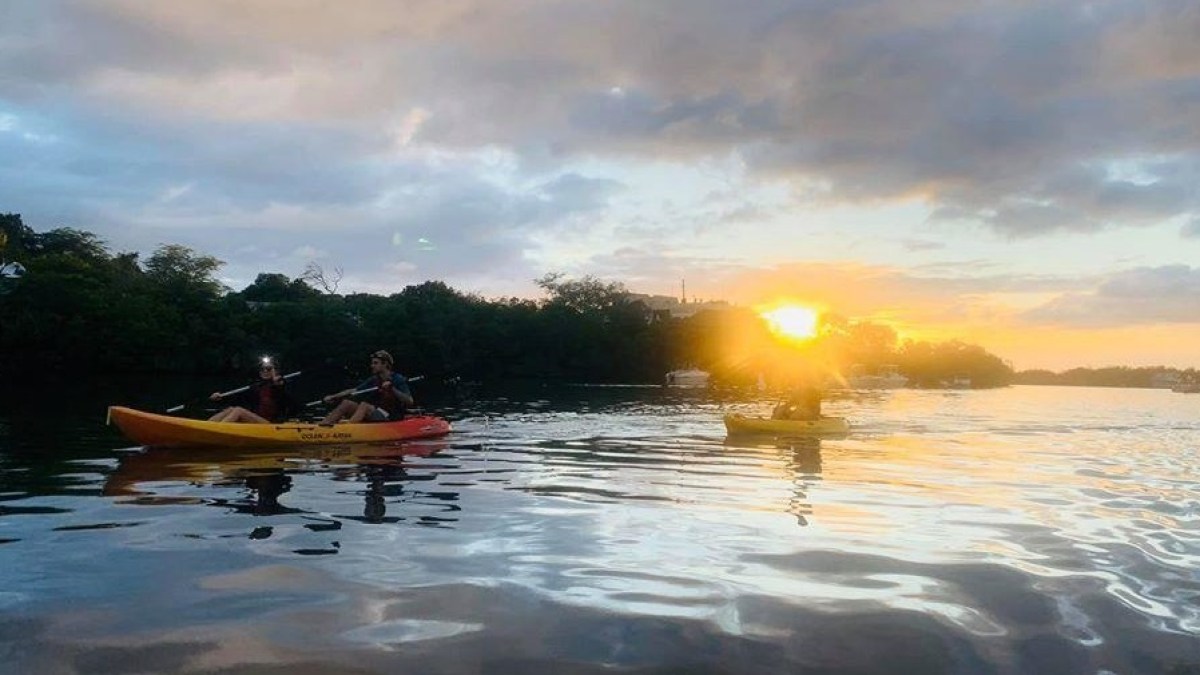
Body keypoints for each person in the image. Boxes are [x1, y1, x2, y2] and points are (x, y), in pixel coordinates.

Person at [320, 350, 414, 425]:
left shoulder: (397, 379)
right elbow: (354, 390)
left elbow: (410, 401)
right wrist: (334, 396)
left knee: (365, 405)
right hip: (377, 412)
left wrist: (392, 389)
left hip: (392, 417)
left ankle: (349, 430)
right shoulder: (374, 379)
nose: (372, 366)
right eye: (372, 363)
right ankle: (323, 425)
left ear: (385, 364)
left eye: (375, 363)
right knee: (347, 403)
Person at [209, 357, 299, 423]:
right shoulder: (256, 387)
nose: (265, 371)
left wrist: (279, 387)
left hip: (271, 424)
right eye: (262, 369)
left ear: (276, 371)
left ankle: (218, 430)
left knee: (238, 410)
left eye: (268, 369)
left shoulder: (284, 386)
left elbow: (293, 405)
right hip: (255, 420)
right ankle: (208, 426)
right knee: (230, 409)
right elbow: (237, 399)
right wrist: (221, 398)